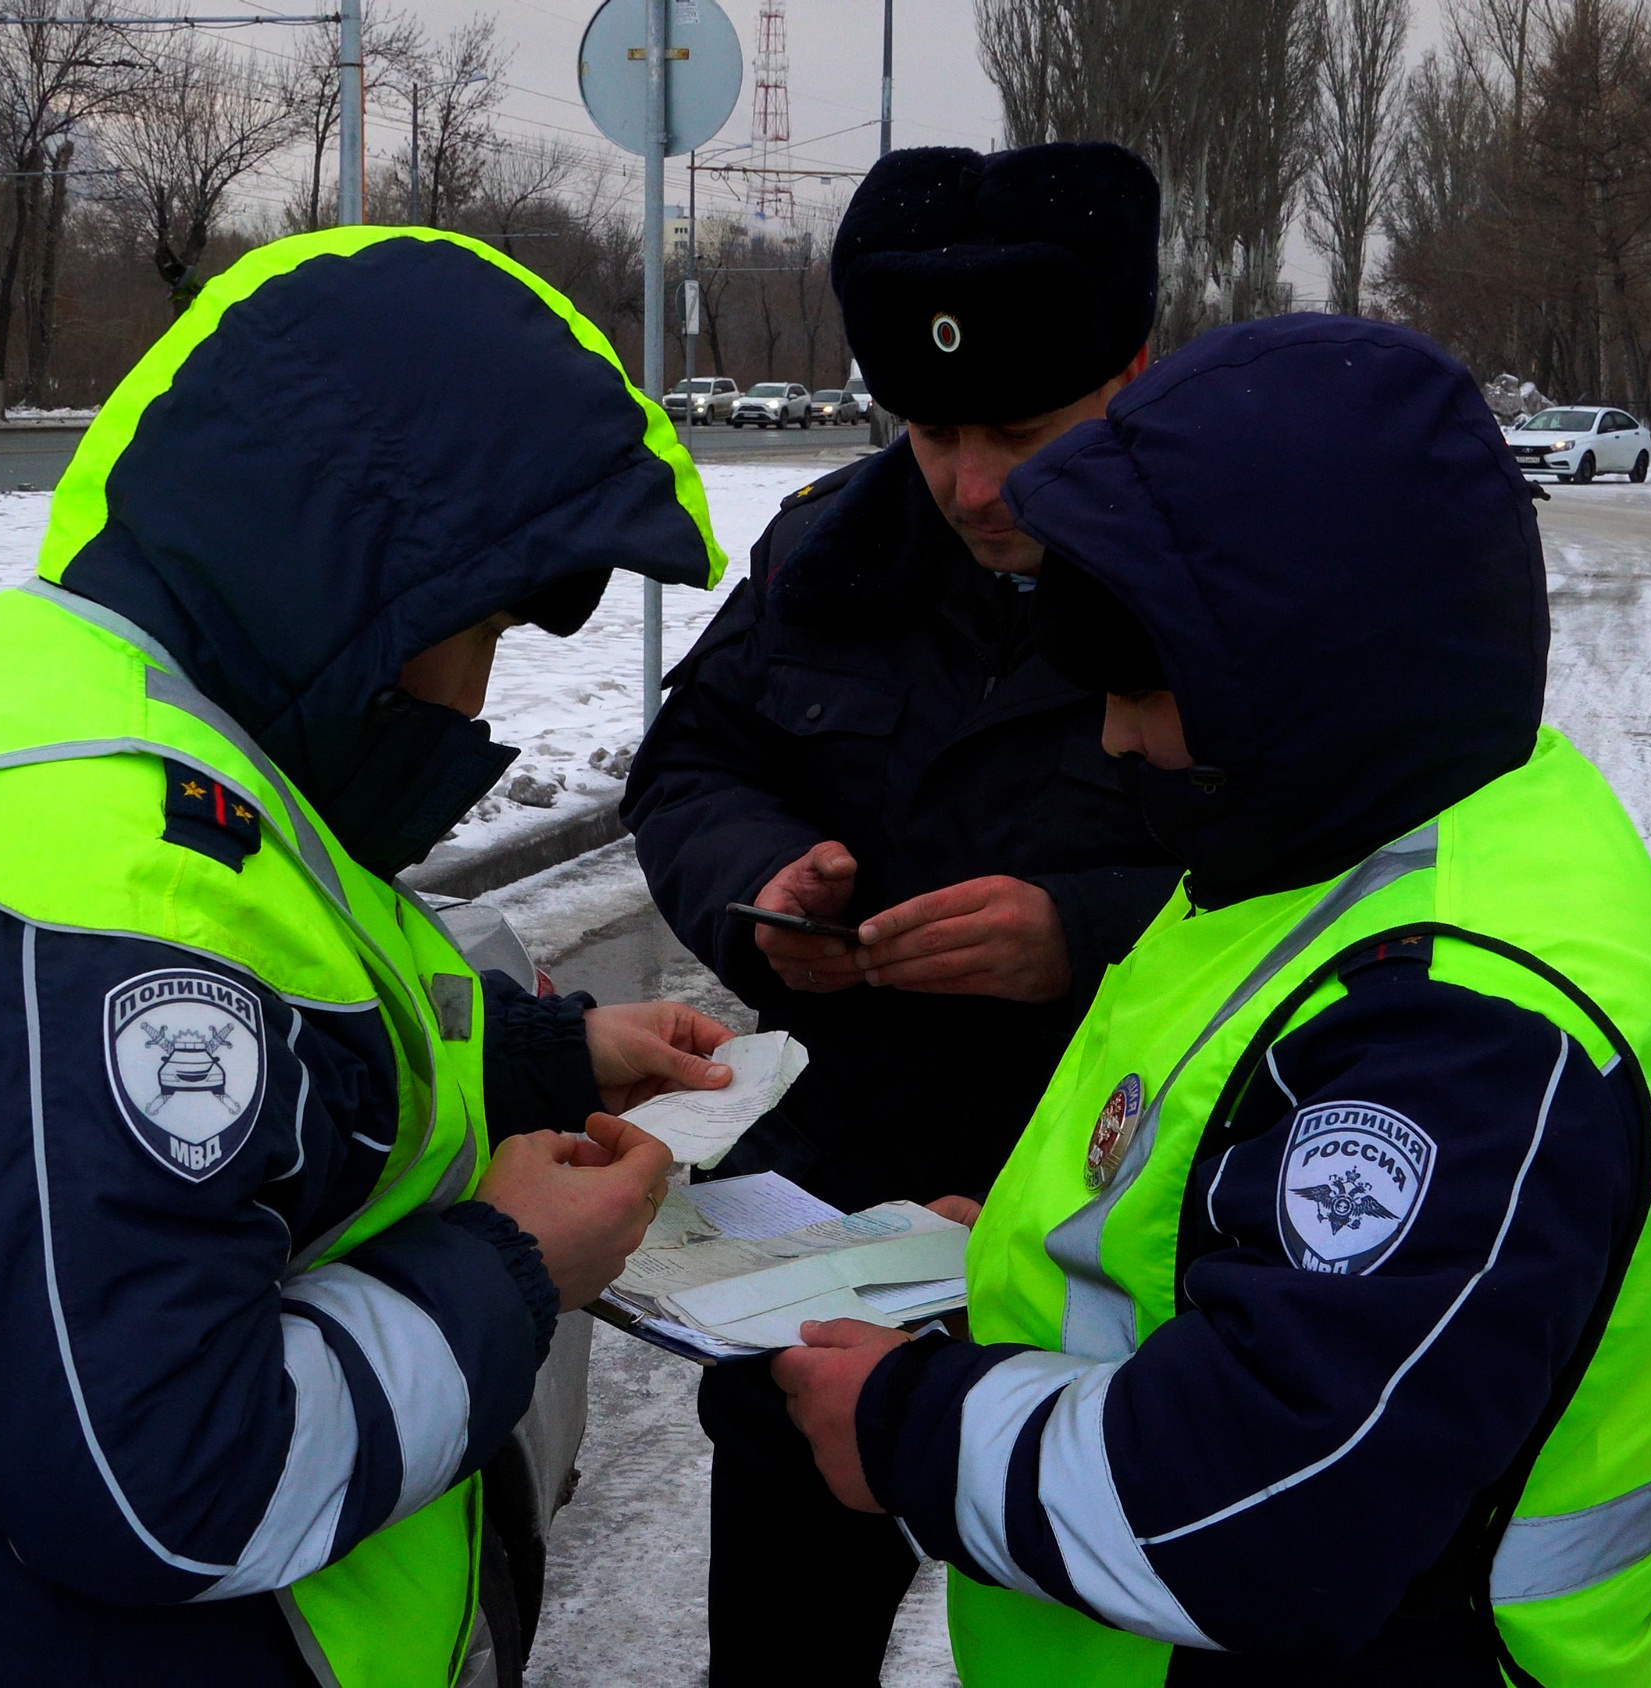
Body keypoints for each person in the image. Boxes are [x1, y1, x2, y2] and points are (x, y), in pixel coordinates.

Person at [0, 229, 737, 1688]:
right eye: (476, 629)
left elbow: (293, 1044)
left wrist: (553, 1055)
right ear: (360, 582)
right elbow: (166, 1487)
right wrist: (509, 1268)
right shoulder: (80, 884)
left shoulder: (158, 745)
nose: (476, 699)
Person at [772, 315, 1651, 1684]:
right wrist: (1011, 1263)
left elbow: (1274, 1507)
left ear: (1305, 660)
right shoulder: (1352, 827)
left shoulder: (1469, 1018)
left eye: (1145, 675)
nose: (1111, 733)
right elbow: (1232, 1188)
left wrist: (905, 1431)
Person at [619, 142, 1180, 1683]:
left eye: (1025, 430)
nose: (974, 486)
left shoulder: (1229, 570)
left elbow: (1337, 870)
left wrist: (1084, 933)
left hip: (1117, 1244)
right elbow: (694, 763)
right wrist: (761, 894)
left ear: (1132, 371)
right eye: (931, 431)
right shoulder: (834, 542)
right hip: (840, 1223)